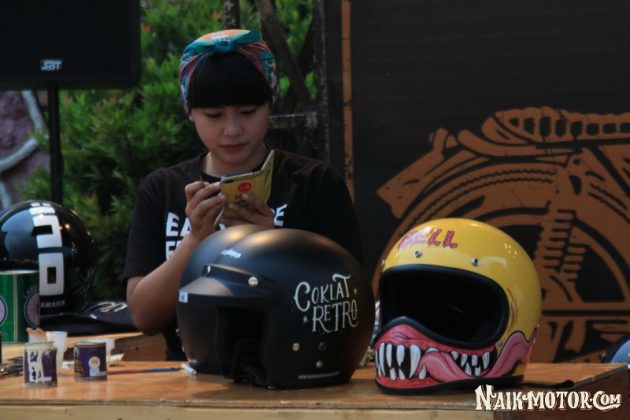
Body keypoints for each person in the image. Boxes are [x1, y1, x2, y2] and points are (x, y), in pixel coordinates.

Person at [122, 29, 363, 360]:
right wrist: (195, 241)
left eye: (248, 112)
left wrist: (273, 248)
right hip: (187, 373)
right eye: (214, 116)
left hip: (292, 368)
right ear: (190, 111)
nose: (232, 130)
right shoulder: (162, 189)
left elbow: (350, 304)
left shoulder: (315, 183)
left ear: (270, 104)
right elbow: (144, 316)